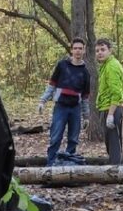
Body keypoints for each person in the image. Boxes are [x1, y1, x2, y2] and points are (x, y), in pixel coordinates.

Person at [38, 38, 91, 166]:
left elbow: (85, 97)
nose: (77, 51)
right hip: (60, 107)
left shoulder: (85, 72)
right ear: (71, 50)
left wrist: (86, 117)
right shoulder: (62, 65)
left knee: (73, 139)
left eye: (80, 48)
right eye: (75, 48)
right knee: (55, 137)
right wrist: (42, 101)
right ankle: (50, 166)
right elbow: (51, 85)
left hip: (75, 109)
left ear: (83, 50)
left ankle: (68, 166)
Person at [95, 37, 123, 165]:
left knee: (113, 142)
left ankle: (116, 170)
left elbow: (116, 93)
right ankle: (117, 167)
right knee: (111, 141)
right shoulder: (106, 66)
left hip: (112, 108)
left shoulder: (112, 66)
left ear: (110, 51)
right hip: (107, 107)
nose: (100, 53)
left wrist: (111, 114)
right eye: (97, 51)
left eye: (103, 50)